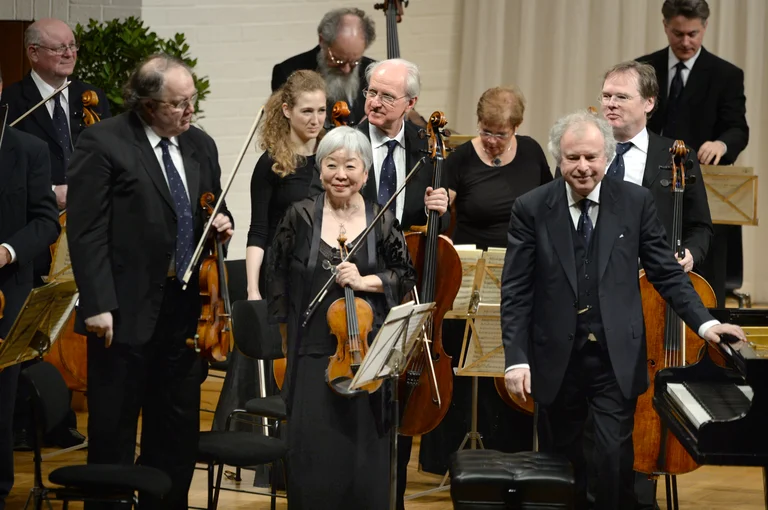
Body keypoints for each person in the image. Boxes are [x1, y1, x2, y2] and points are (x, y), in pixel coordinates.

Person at [501, 110, 746, 510]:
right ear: (558, 159)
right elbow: (516, 289)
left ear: (608, 156)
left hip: (615, 357)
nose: (583, 167)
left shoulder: (635, 202)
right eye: (573, 158)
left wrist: (706, 324)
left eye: (591, 157)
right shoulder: (531, 207)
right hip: (555, 359)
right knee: (562, 467)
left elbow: (666, 273)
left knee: (613, 461)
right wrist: (516, 358)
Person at [66, 54, 233, 510]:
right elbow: (85, 231)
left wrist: (222, 222)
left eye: (192, 99)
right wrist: (98, 303)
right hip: (123, 311)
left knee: (176, 430)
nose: (189, 110)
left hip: (186, 310)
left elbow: (210, 205)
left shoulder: (200, 144)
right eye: (178, 103)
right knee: (114, 429)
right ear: (146, 104)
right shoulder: (103, 142)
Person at [266, 125, 416, 509]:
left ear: (365, 173)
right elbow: (276, 276)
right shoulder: (299, 216)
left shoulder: (382, 220)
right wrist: (285, 340)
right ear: (320, 170)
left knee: (363, 459)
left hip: (365, 356)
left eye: (351, 166)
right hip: (311, 350)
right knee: (313, 455)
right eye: (331, 164)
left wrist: (365, 281)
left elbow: (404, 275)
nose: (341, 174)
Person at [419, 85, 552, 474]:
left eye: (501, 134)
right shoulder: (460, 158)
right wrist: (438, 207)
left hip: (522, 268)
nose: (492, 140)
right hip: (472, 270)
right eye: (486, 131)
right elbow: (443, 215)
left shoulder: (531, 152)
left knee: (508, 355)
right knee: (464, 355)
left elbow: (548, 205)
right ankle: (455, 456)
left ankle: (510, 453)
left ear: (517, 128)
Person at [1, 18, 110, 451]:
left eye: (72, 46)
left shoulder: (91, 96)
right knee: (30, 326)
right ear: (32, 53)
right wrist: (51, 191)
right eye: (59, 47)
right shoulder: (12, 100)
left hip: (83, 225)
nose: (69, 54)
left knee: (70, 314)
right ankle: (25, 418)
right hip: (35, 225)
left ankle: (58, 415)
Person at [637, 0, 749, 308]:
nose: (686, 42)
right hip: (652, 183)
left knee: (705, 274)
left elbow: (738, 128)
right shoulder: (643, 68)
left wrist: (722, 144)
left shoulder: (726, 74)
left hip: (705, 186)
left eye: (693, 34)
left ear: (705, 27)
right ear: (665, 26)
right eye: (678, 33)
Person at [0, 65, 61, 510]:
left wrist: (7, 251)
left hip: (6, 293)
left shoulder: (28, 150)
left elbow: (45, 222)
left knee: (0, 402)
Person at [271, 8, 376, 127]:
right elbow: (282, 129)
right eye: (338, 60)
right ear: (322, 41)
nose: (346, 69)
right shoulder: (287, 73)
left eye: (354, 62)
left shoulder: (375, 72)